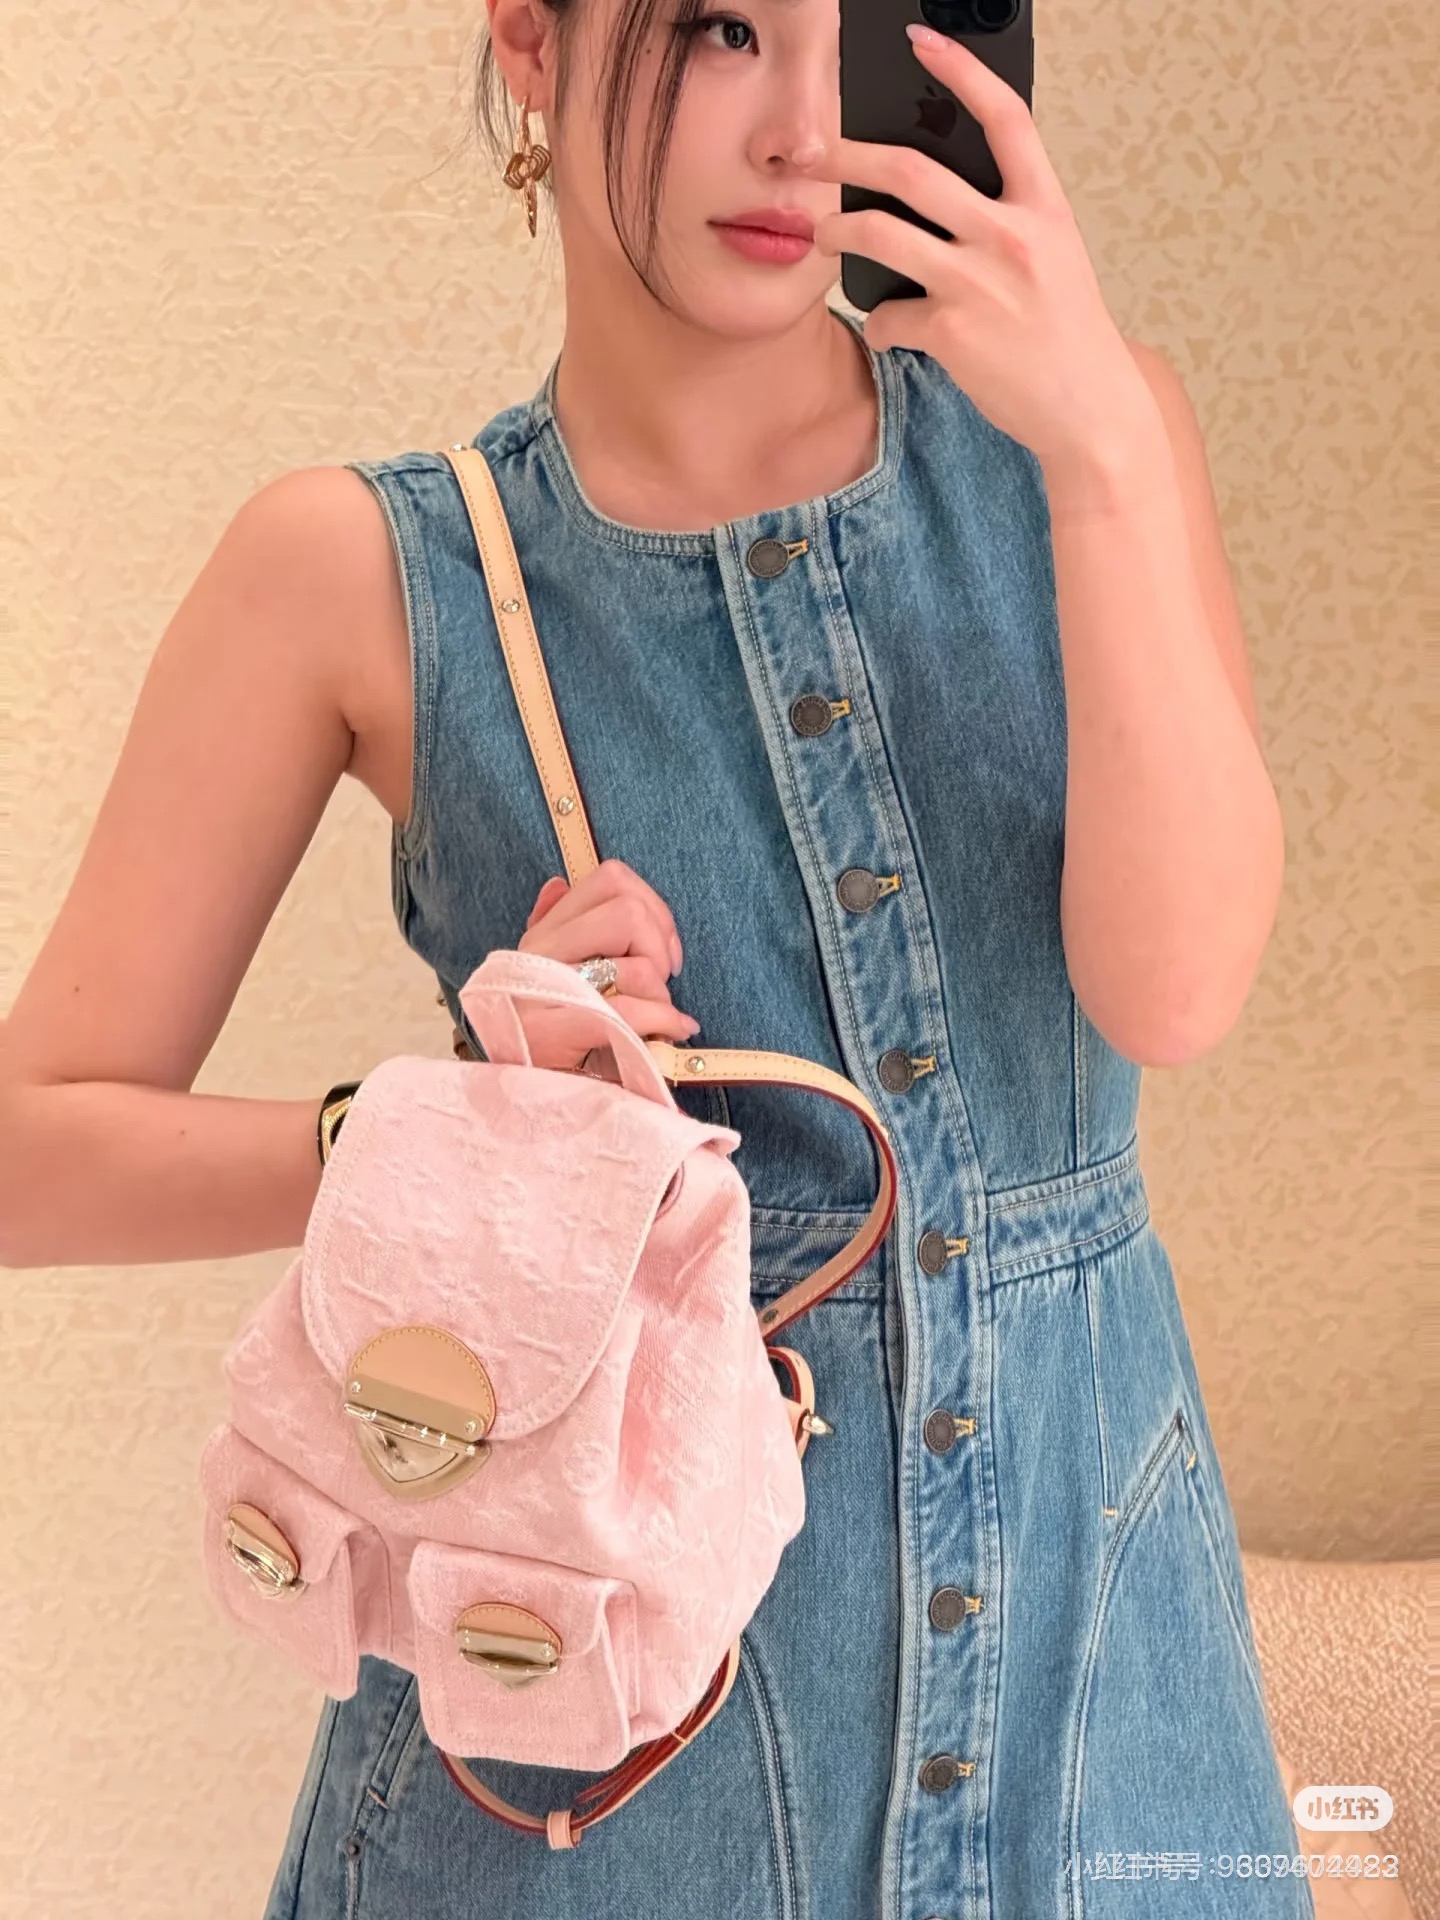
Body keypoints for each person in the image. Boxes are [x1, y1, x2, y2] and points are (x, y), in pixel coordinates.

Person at [0, 0, 1314, 1914]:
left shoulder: (1093, 443)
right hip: (601, 1786)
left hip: (1095, 1697)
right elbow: (29, 1155)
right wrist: (452, 1140)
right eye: (718, 30)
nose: (801, 130)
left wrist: (1107, 453)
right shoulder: (359, 572)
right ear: (531, 43)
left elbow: (1174, 992)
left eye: (849, 34)